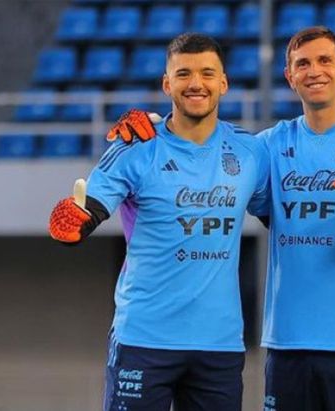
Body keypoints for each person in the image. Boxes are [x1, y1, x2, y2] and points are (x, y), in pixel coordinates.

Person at [107, 26, 335, 410]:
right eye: (302, 64)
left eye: (325, 61)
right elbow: (205, 161)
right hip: (287, 346)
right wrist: (147, 126)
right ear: (290, 76)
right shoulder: (268, 147)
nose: (314, 71)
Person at [48, 33, 270, 411]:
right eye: (183, 74)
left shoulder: (250, 152)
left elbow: (286, 220)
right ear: (167, 84)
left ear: (224, 83)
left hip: (218, 343)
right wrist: (73, 220)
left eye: (207, 73)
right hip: (143, 339)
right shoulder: (135, 146)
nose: (196, 83)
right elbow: (88, 208)